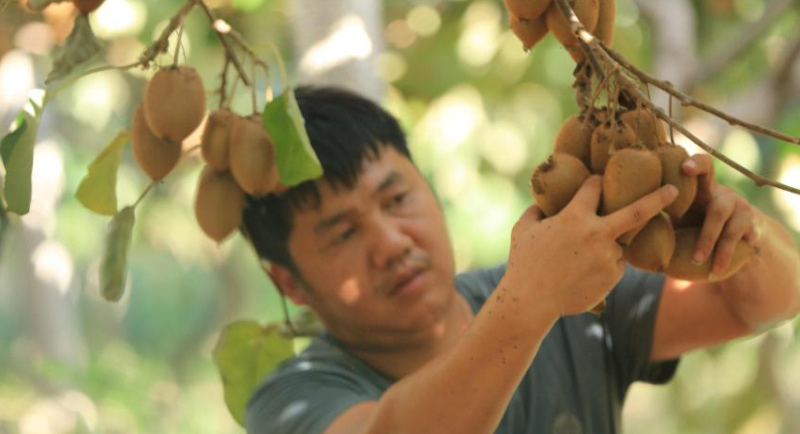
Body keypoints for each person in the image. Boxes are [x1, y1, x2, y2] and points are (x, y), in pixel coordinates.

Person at [241, 85, 800, 434]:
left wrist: (736, 236)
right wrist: (530, 303)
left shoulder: (574, 304)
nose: (390, 242)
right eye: (341, 233)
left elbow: (773, 302)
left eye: (396, 199)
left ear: (429, 188)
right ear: (288, 282)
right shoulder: (292, 400)